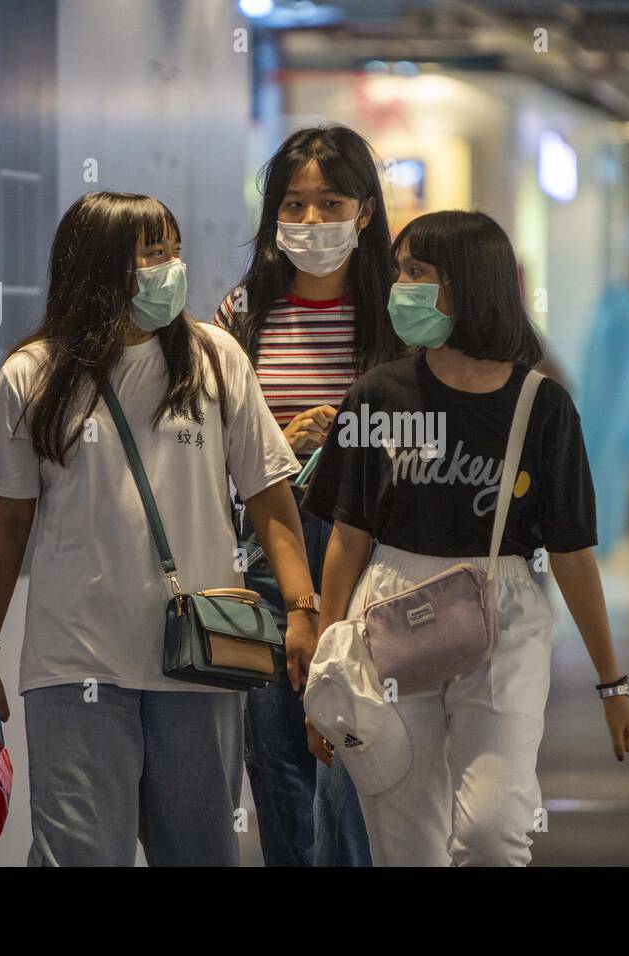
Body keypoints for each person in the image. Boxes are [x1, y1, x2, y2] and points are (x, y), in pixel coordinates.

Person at [0, 191, 319, 866]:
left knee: (201, 853)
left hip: (202, 657)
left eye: (173, 250)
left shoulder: (215, 360)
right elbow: (4, 528)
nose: (169, 267)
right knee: (78, 854)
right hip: (75, 661)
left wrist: (302, 608)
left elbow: (271, 501)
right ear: (98, 265)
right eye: (151, 252)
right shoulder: (31, 375)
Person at [301, 210, 629, 866]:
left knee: (492, 832)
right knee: (407, 846)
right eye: (401, 270)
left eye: (417, 272)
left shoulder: (542, 407)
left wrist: (613, 684)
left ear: (466, 285)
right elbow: (348, 536)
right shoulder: (377, 396)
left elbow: (571, 552)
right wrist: (327, 664)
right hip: (389, 614)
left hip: (503, 616)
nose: (400, 285)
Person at [213, 125, 400, 867]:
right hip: (269, 551)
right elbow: (207, 450)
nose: (313, 221)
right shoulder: (241, 315)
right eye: (295, 204)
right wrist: (280, 441)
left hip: (371, 553)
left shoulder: (395, 312)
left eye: (331, 201)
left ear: (366, 210)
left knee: (352, 758)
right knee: (279, 758)